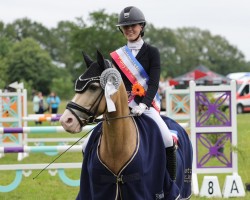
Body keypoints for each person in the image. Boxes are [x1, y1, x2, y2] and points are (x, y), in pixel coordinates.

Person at [110, 6, 177, 180]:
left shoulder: (152, 52)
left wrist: (143, 104)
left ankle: (170, 186)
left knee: (168, 140)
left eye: (133, 25)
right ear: (121, 30)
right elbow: (116, 85)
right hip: (123, 107)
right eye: (126, 26)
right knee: (89, 144)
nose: (130, 29)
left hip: (146, 106)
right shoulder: (117, 56)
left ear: (141, 27)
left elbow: (154, 83)